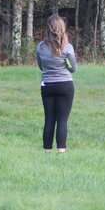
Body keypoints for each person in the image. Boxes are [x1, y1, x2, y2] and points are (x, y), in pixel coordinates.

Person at [36, 14, 77, 154]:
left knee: (49, 119)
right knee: (62, 120)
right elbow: (73, 68)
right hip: (65, 85)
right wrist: (64, 64)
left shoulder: (40, 47)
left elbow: (41, 66)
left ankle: (47, 150)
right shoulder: (67, 47)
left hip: (47, 85)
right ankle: (61, 150)